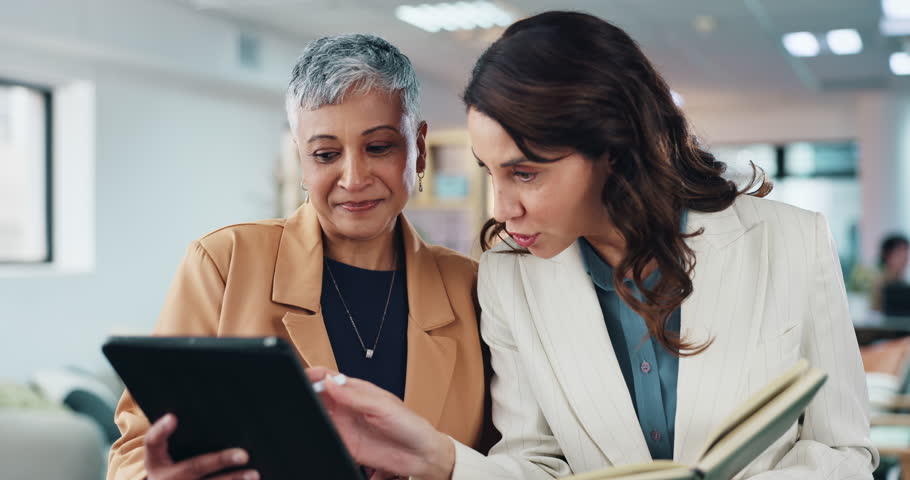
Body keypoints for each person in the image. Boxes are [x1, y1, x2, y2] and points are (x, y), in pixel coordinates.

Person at [306, 11, 879, 480]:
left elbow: (843, 450)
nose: (503, 209)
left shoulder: (792, 242)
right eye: (490, 173)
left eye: (525, 173)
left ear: (612, 148)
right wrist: (440, 458)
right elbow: (535, 462)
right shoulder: (511, 277)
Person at [107, 34, 490, 480]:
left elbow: (506, 461)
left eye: (379, 147)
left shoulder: (471, 288)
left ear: (419, 148)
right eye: (326, 154)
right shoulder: (224, 263)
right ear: (302, 163)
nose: (353, 177)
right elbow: (135, 452)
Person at [870, 234, 909, 312]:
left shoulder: (903, 282)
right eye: (900, 252)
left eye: (906, 251)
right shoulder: (880, 283)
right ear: (888, 255)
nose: (905, 256)